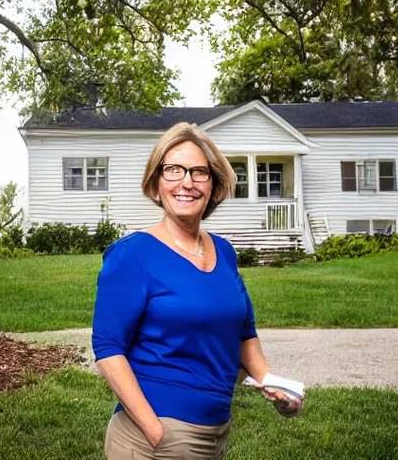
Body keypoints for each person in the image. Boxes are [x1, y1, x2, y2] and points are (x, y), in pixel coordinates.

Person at [93, 125, 305, 459]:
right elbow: (108, 350)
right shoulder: (131, 255)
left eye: (199, 172)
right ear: (156, 182)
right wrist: (154, 430)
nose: (187, 182)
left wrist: (274, 385)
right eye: (173, 169)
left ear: (214, 184)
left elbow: (244, 334)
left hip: (215, 433)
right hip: (151, 440)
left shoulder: (225, 253)